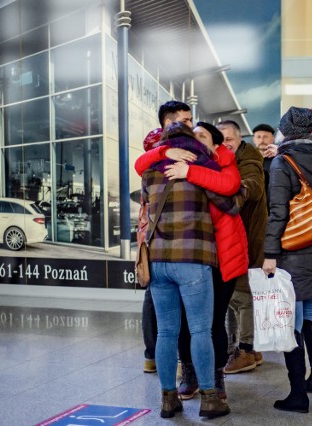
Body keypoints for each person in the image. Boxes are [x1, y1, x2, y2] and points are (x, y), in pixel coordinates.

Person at [136, 122, 248, 402]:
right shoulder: (202, 169)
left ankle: (167, 398)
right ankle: (210, 397)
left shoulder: (150, 173)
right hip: (192, 259)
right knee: (201, 329)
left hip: (159, 260)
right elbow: (229, 202)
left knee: (166, 332)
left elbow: (146, 204)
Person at [262, 106, 312, 414]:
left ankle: (297, 395)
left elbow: (279, 211)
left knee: (291, 322)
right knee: (309, 317)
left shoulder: (282, 162)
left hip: (293, 249)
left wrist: (270, 254)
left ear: (285, 130)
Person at [139, 100, 193, 374]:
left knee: (159, 298)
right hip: (159, 230)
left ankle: (158, 358)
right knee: (158, 298)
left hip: (166, 231)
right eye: (184, 121)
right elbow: (141, 165)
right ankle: (156, 357)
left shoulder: (167, 147)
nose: (190, 125)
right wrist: (167, 150)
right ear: (167, 123)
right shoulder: (158, 146)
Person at [217, 120, 268, 374]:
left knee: (241, 297)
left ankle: (245, 350)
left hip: (245, 240)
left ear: (239, 139)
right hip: (236, 239)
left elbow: (255, 187)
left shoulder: (248, 158)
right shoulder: (228, 158)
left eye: (229, 139)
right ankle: (247, 348)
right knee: (233, 297)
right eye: (221, 139)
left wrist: (232, 191)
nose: (225, 144)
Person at [252, 123, 277, 203]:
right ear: (253, 139)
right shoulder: (247, 160)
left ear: (273, 138)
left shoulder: (278, 160)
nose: (262, 140)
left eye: (265, 137)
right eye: (258, 137)